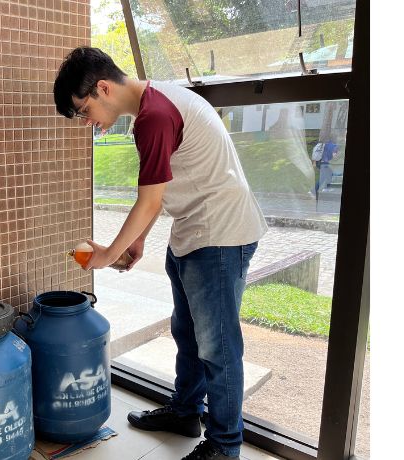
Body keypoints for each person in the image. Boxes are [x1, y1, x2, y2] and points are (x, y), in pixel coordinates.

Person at [53, 47, 267, 460]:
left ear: (102, 87)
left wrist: (105, 255)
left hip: (221, 235)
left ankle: (225, 447)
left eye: (84, 111)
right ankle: (186, 412)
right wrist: (136, 242)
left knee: (219, 349)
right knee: (187, 333)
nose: (87, 122)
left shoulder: (155, 116)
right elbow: (160, 190)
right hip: (195, 229)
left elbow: (148, 202)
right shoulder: (152, 107)